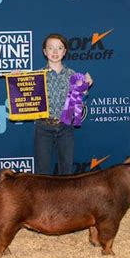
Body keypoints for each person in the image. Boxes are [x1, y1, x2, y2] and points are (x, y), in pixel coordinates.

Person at [34, 33, 93, 175]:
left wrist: (85, 89)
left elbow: (78, 104)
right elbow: (26, 99)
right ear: (44, 51)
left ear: (65, 51)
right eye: (51, 48)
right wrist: (17, 81)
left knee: (66, 170)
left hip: (66, 127)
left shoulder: (73, 75)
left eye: (59, 48)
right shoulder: (36, 76)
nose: (55, 52)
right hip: (43, 127)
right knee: (41, 170)